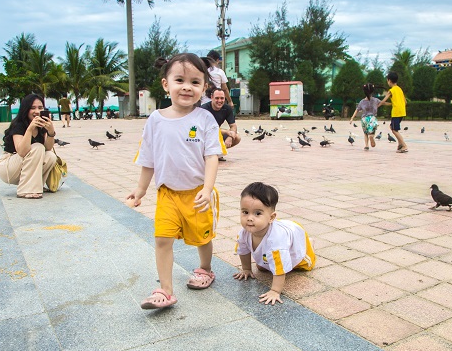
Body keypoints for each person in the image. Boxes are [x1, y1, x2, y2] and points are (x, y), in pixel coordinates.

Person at [127, 53, 226, 310]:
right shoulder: (155, 120)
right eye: (179, 80)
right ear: (165, 84)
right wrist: (140, 190)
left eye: (195, 82)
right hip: (167, 194)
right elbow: (148, 158)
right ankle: (166, 290)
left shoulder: (205, 120)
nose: (186, 87)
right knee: (162, 239)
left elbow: (212, 157)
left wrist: (207, 189)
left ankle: (205, 269)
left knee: (201, 238)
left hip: (196, 193)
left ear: (204, 88)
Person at [233, 182, 316, 305]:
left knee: (303, 265)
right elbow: (243, 251)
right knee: (263, 267)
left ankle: (309, 243)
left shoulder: (276, 241)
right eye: (245, 212)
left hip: (295, 233)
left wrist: (275, 291)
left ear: (271, 217)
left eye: (257, 213)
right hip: (278, 230)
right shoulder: (244, 233)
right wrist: (246, 269)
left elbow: (280, 268)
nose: (250, 218)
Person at [0, 94, 57, 199]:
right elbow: (22, 152)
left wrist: (51, 132)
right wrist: (29, 129)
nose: (37, 111)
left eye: (40, 108)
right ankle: (25, 190)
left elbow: (48, 148)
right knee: (37, 147)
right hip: (8, 166)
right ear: (25, 109)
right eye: (32, 108)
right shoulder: (18, 125)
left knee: (50, 156)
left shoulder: (41, 126)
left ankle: (36, 186)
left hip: (23, 165)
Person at [200, 88, 240, 160]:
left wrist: (230, 137)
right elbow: (206, 128)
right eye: (217, 98)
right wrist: (227, 132)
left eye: (222, 98)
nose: (219, 101)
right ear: (212, 97)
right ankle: (205, 154)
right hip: (205, 135)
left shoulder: (227, 109)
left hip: (217, 134)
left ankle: (218, 153)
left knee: (237, 137)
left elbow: (233, 125)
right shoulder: (204, 109)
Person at [379, 71, 408, 153]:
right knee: (393, 127)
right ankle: (400, 145)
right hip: (402, 112)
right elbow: (405, 102)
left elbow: (383, 100)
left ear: (389, 80)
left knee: (394, 130)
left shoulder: (391, 90)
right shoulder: (399, 89)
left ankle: (404, 145)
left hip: (396, 112)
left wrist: (377, 105)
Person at [350, 83, 381, 150]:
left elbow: (357, 110)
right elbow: (382, 103)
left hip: (364, 119)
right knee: (372, 132)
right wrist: (391, 103)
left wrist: (352, 118)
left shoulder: (362, 101)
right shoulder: (375, 100)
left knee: (365, 133)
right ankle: (371, 137)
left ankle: (366, 146)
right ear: (372, 91)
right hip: (372, 118)